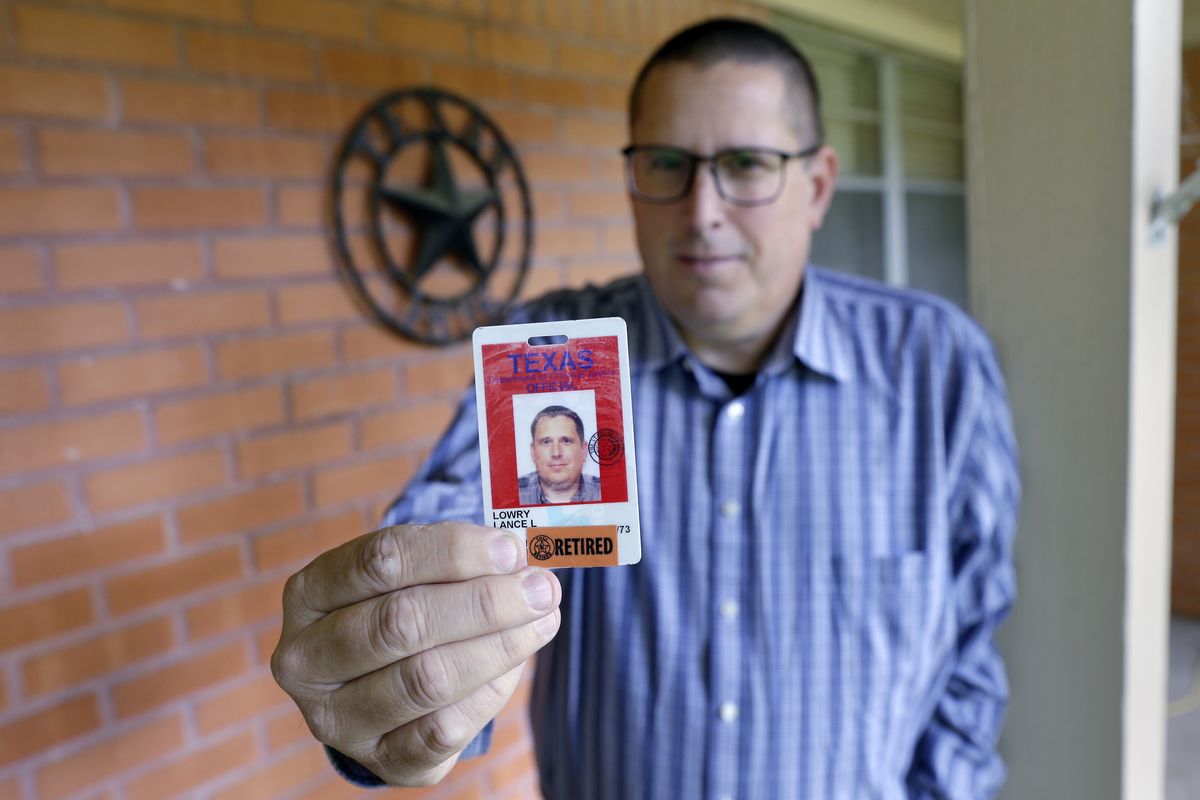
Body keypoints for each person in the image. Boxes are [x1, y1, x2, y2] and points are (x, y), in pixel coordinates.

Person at [271, 16, 1020, 800]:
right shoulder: (547, 353)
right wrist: (401, 671)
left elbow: (972, 640)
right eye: (666, 163)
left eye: (746, 164)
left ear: (819, 186)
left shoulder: (936, 365)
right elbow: (458, 519)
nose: (702, 212)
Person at [518, 405, 602, 504]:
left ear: (583, 450)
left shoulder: (606, 490)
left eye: (566, 441)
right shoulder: (513, 493)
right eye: (546, 442)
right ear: (533, 452)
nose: (556, 453)